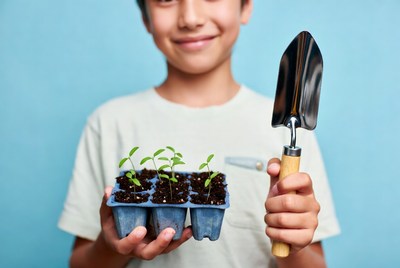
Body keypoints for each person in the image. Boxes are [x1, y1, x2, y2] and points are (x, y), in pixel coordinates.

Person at [58, 0, 340, 267]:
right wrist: (111, 245)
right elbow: (81, 262)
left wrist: (291, 238)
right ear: (145, 17)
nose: (191, 18)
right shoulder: (109, 123)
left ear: (246, 5)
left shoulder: (289, 135)